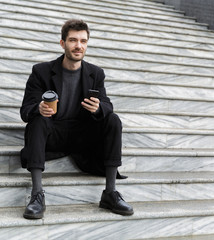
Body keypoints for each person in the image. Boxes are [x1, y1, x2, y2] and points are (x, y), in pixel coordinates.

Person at [20, 19, 134, 219]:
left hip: (83, 136)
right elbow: (25, 110)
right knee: (37, 119)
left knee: (112, 119)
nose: (78, 46)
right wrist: (38, 108)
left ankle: (110, 193)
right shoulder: (41, 71)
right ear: (63, 43)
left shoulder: (95, 73)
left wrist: (99, 109)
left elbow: (107, 104)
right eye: (73, 40)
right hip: (53, 133)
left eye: (83, 41)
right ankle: (37, 194)